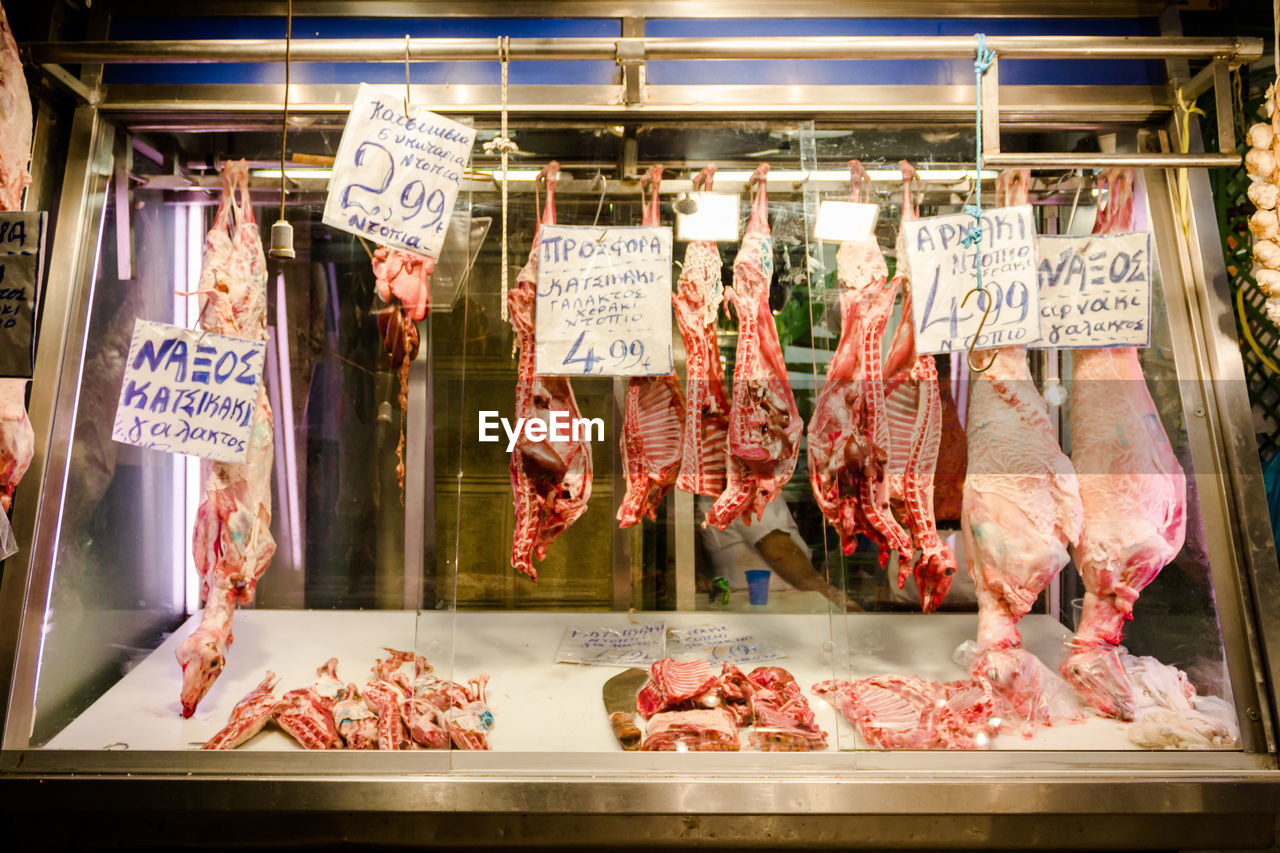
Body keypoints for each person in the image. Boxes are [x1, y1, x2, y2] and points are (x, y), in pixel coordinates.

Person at [696, 495, 860, 610]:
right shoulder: (745, 482)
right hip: (769, 603)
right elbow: (779, 551)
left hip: (758, 602)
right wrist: (828, 593)